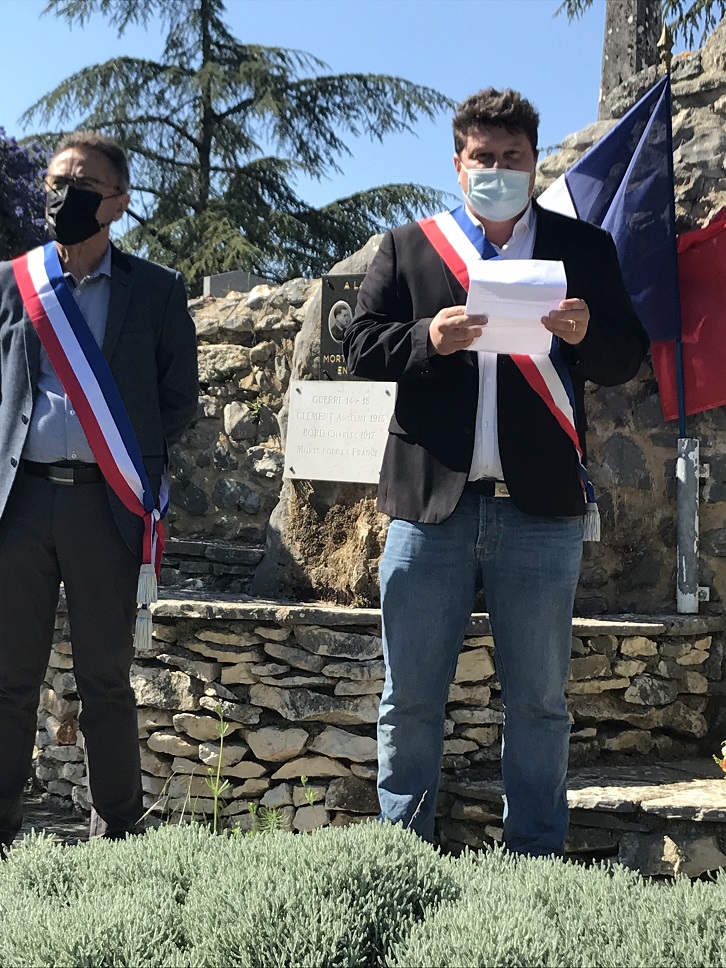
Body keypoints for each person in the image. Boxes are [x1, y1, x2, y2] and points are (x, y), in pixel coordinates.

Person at [343, 88, 649, 857]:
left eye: (513, 157)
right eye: (484, 157)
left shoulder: (582, 249)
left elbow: (627, 355)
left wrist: (585, 333)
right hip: (430, 507)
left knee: (540, 703)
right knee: (410, 697)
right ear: (458, 165)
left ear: (534, 163)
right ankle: (403, 857)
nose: (498, 169)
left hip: (538, 510)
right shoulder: (411, 247)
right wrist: (427, 339)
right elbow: (358, 346)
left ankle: (533, 860)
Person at [0, 131, 198, 853]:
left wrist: (128, 462)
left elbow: (178, 400)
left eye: (81, 186)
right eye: (56, 183)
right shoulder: (13, 282)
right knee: (8, 680)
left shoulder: (157, 289)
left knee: (105, 682)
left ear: (117, 203)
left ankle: (116, 837)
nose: (62, 197)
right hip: (19, 505)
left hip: (105, 505)